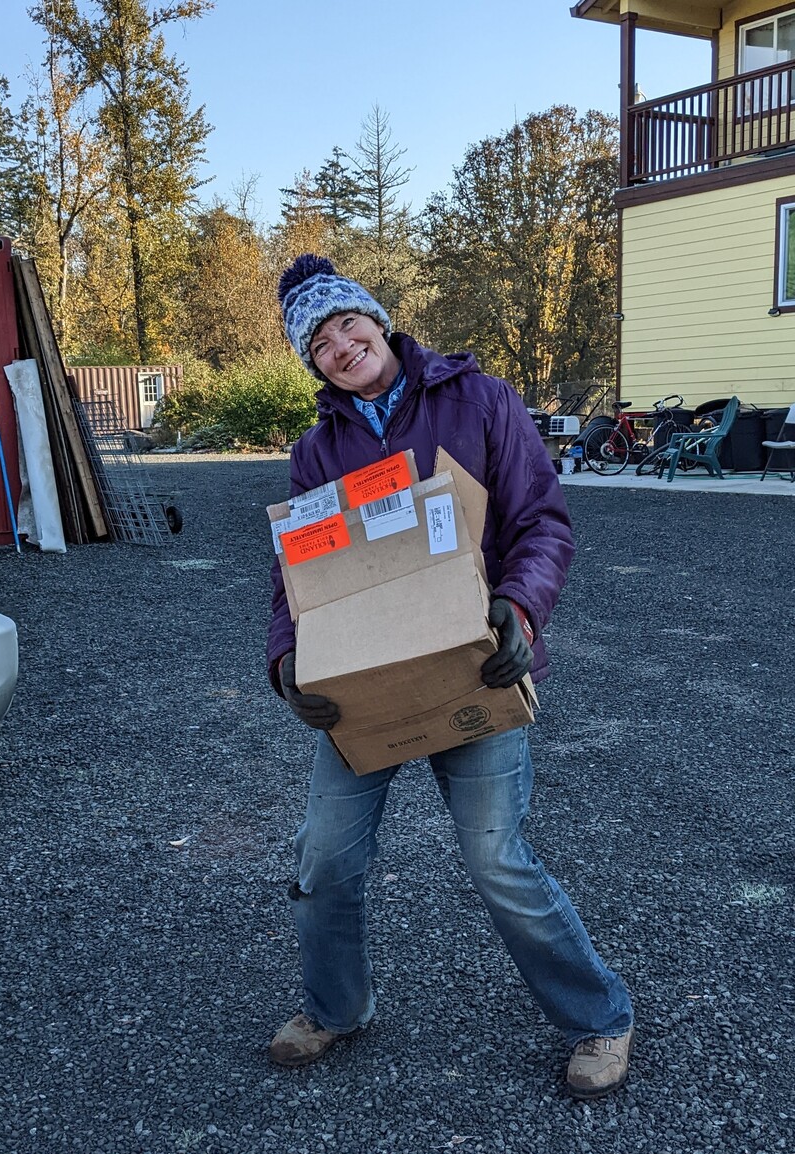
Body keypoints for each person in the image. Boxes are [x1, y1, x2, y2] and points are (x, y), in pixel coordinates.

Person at [266, 254, 634, 1099]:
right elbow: (292, 575)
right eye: (319, 342)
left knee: (497, 857)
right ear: (313, 364)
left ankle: (600, 1018)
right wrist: (288, 663)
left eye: (348, 323)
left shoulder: (482, 399)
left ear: (378, 319)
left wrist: (522, 608)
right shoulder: (317, 451)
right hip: (362, 688)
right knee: (323, 855)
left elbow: (542, 521)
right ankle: (336, 1007)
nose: (340, 344)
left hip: (474, 665)